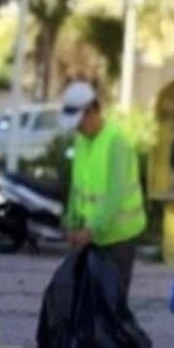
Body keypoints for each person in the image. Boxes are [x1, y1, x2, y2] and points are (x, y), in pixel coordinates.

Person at [60, 80, 148, 296]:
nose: (78, 129)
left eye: (80, 123)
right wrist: (72, 222)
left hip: (119, 238)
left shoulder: (116, 143)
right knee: (90, 304)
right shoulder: (82, 142)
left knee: (111, 306)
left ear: (92, 112)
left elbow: (114, 195)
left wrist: (91, 230)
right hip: (94, 237)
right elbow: (77, 189)